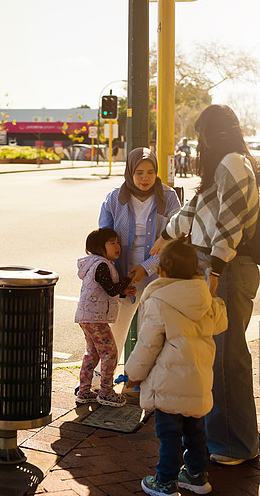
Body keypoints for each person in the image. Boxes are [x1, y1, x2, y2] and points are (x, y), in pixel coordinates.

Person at [150, 104, 260, 466]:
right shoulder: (226, 166)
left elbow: (229, 224)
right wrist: (167, 235)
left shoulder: (232, 163)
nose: (199, 142)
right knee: (217, 355)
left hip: (228, 268)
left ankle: (233, 444)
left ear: (214, 133)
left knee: (225, 358)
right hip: (222, 266)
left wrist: (214, 270)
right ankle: (229, 439)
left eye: (202, 133)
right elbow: (197, 210)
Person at [125, 238, 227, 496]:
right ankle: (196, 475)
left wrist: (133, 374)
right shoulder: (204, 297)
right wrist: (214, 295)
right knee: (195, 432)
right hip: (198, 379)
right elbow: (220, 324)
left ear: (162, 270)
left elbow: (148, 345)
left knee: (169, 433)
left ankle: (165, 481)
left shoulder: (159, 300)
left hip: (167, 382)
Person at [99, 148, 182, 360]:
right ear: (130, 172)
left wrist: (147, 267)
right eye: (139, 172)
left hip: (158, 273)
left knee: (153, 333)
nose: (145, 178)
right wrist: (115, 279)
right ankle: (103, 377)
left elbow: (176, 240)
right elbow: (103, 242)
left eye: (150, 172)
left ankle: (145, 378)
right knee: (114, 332)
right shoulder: (114, 199)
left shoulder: (168, 197)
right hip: (124, 276)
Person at [75, 227, 136, 407]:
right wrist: (128, 279)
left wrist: (123, 291)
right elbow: (110, 289)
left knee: (92, 354)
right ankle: (106, 392)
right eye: (112, 243)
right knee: (110, 353)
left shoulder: (97, 264)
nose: (118, 246)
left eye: (118, 242)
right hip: (95, 318)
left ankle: (84, 391)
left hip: (87, 316)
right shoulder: (101, 265)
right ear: (99, 247)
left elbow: (105, 289)